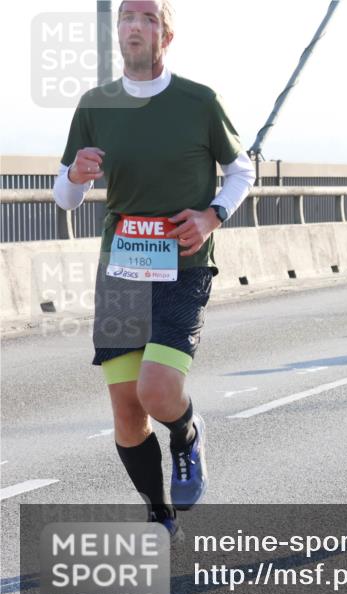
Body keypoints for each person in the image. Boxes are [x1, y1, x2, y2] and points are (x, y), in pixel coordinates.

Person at [52, 0, 254, 537]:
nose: (132, 26)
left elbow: (242, 168)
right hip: (121, 268)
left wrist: (212, 216)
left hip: (182, 265)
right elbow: (66, 197)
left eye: (144, 17)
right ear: (117, 33)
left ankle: (187, 435)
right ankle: (156, 512)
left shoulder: (199, 101)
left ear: (165, 33)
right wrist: (76, 172)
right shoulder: (96, 105)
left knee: (158, 391)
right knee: (126, 412)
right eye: (124, 17)